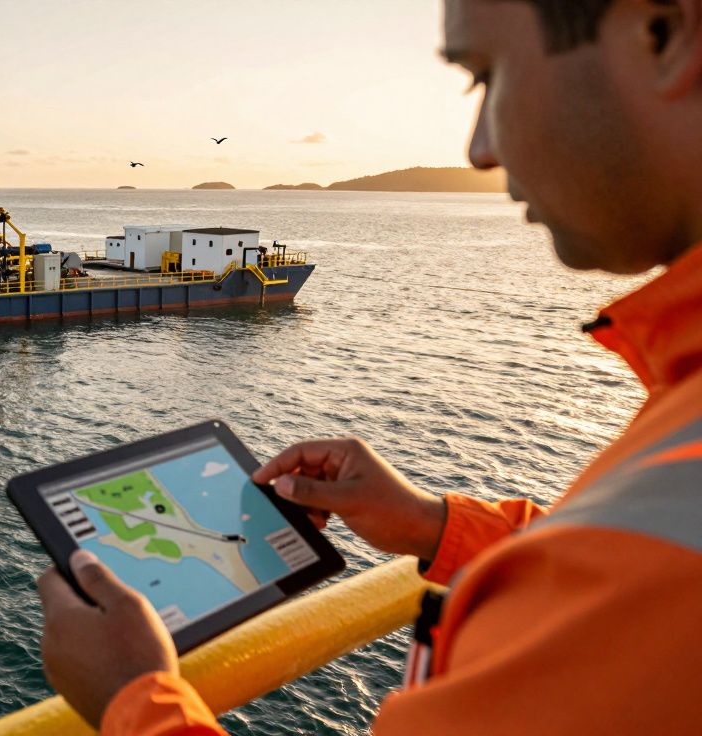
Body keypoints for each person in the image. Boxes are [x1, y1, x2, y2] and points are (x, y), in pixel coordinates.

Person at [36, 1, 702, 733]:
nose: (479, 148)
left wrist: (137, 700)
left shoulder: (659, 557)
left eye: (487, 74)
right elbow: (604, 572)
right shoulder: (679, 410)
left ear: (664, 33)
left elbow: (631, 572)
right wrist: (432, 525)